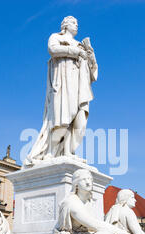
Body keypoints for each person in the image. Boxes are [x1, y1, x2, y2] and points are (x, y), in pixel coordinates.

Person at [25, 16, 98, 166]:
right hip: (64, 82)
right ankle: (51, 152)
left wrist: (90, 55)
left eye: (78, 23)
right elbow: (53, 50)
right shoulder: (56, 37)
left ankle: (68, 152)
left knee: (79, 120)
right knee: (63, 118)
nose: (77, 25)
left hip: (80, 86)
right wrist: (75, 52)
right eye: (74, 23)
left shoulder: (80, 45)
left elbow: (93, 72)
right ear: (65, 25)